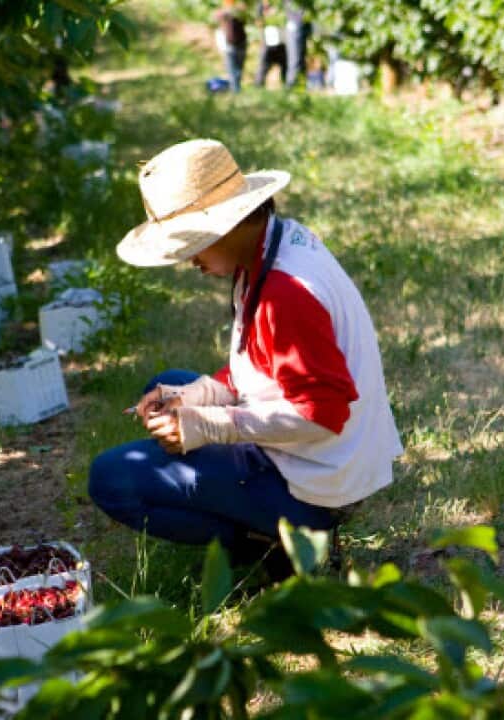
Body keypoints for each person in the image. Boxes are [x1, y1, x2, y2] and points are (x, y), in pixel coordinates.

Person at [87, 139, 404, 578]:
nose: (189, 261)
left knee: (111, 479)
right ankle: (263, 523)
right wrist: (193, 396)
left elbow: (322, 412)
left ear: (227, 225)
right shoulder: (272, 245)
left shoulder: (284, 293)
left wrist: (212, 425)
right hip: (318, 457)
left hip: (317, 484)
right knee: (165, 386)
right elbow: (257, 365)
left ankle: (281, 543)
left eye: (191, 246)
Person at [211, 1, 247, 93]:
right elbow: (215, 16)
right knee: (232, 70)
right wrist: (227, 11)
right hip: (229, 45)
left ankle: (236, 90)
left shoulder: (240, 11)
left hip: (241, 43)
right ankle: (235, 92)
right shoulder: (223, 13)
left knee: (238, 71)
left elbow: (245, 17)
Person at [252, 3, 286, 88]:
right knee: (263, 66)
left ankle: (287, 88)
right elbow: (258, 22)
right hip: (267, 41)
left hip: (281, 40)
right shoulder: (260, 5)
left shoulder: (279, 4)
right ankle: (258, 87)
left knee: (285, 66)